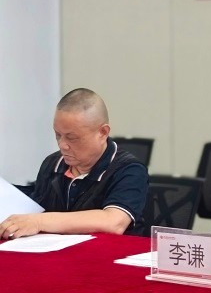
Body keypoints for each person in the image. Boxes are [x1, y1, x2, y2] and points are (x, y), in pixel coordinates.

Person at [0, 88, 149, 240]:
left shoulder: (129, 170)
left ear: (102, 133)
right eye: (58, 135)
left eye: (72, 138)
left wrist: (38, 222)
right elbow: (36, 201)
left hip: (115, 253)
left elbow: (114, 222)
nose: (62, 145)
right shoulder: (53, 163)